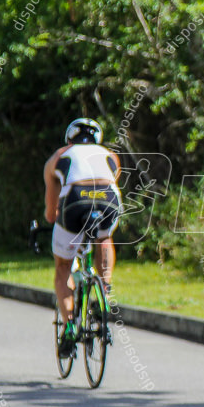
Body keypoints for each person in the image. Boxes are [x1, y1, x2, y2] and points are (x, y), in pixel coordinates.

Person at [43, 118, 122, 357]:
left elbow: (50, 212)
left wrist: (53, 220)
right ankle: (104, 293)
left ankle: (68, 327)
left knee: (63, 268)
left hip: (75, 199)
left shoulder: (59, 155)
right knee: (104, 238)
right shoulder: (110, 155)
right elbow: (111, 182)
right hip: (108, 197)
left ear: (69, 138)